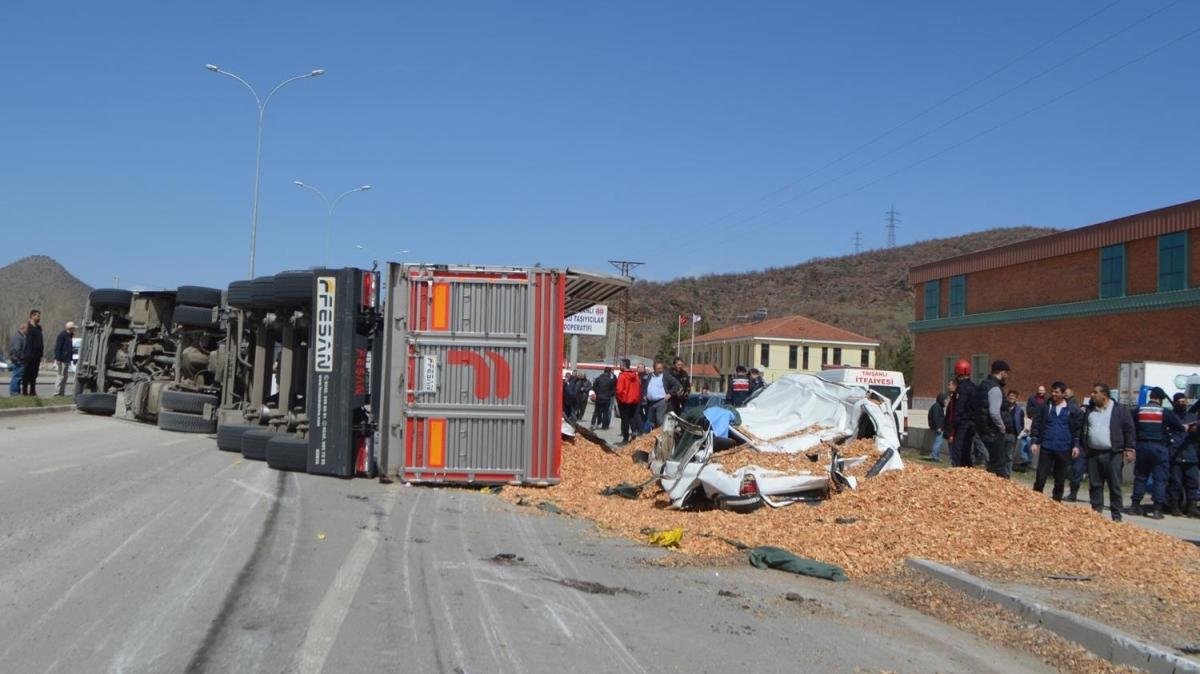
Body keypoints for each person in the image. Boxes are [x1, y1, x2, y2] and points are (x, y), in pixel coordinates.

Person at [1079, 383, 1136, 522]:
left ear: (1104, 395)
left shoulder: (1119, 410)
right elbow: (1084, 429)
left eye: (1095, 392)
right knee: (1095, 485)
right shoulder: (1090, 410)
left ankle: (1116, 516)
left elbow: (1129, 430)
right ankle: (1096, 515)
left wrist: (1129, 448)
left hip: (1113, 454)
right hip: (1093, 453)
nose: (1092, 395)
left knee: (1114, 485)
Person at [1130, 387, 1184, 520]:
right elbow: (1179, 427)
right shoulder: (1164, 412)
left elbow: (1132, 426)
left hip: (1142, 446)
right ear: (1160, 399)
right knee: (1160, 479)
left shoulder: (1139, 410)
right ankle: (1157, 510)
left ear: (1151, 396)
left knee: (1141, 476)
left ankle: (1135, 505)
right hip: (1159, 448)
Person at [1030, 381, 1081, 500]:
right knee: (1041, 476)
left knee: (1060, 478)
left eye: (1056, 392)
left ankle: (1056, 502)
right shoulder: (1045, 407)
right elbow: (1036, 423)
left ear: (1063, 394)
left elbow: (1078, 428)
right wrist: (1034, 441)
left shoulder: (1072, 410)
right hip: (1047, 446)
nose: (1053, 394)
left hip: (1064, 448)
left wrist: (1076, 445)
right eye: (1052, 391)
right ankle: (1036, 499)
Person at [949, 360, 977, 467]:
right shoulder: (974, 387)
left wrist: (954, 423)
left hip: (963, 423)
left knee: (957, 449)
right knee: (966, 450)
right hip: (972, 424)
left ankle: (958, 470)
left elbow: (960, 407)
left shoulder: (962, 388)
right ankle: (969, 469)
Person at [644, 361, 681, 429]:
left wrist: (670, 394)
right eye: (659, 368)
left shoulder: (665, 376)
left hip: (661, 402)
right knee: (651, 421)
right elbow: (646, 386)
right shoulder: (650, 376)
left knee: (660, 420)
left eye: (661, 368)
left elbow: (677, 385)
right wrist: (645, 394)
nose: (661, 370)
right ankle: (653, 436)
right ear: (654, 369)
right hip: (651, 403)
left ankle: (661, 436)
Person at [615, 359, 642, 444]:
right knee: (632, 418)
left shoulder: (622, 376)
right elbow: (638, 387)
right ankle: (634, 431)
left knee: (625, 420)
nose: (619, 366)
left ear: (623, 365)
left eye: (620, 364)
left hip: (624, 401)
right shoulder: (635, 376)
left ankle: (625, 438)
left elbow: (619, 390)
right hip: (634, 400)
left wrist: (619, 399)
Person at [1001, 390, 1025, 477]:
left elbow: (1021, 424)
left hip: (1012, 435)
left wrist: (1018, 432)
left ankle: (1007, 474)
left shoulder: (1020, 411)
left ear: (1016, 398)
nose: (1011, 398)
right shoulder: (1002, 408)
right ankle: (999, 473)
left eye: (1013, 396)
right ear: (1007, 397)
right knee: (1000, 454)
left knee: (1009, 455)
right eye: (1010, 396)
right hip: (1001, 434)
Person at [21, 310, 44, 396]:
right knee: (26, 374)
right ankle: (24, 391)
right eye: (37, 316)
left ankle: (32, 391)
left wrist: (41, 353)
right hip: (29, 355)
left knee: (34, 374)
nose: (39, 317)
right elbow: (28, 342)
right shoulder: (28, 327)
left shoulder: (39, 328)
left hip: (37, 355)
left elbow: (40, 342)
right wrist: (28, 354)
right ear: (32, 316)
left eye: (39, 316)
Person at [53, 321, 76, 397]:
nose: (74, 329)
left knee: (65, 377)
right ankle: (57, 393)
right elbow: (58, 347)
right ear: (69, 328)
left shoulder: (70, 336)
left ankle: (62, 392)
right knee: (60, 376)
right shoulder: (62, 335)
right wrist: (57, 358)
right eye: (73, 328)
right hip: (62, 359)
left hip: (67, 359)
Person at [925, 393, 947, 462]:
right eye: (945, 400)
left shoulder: (938, 406)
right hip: (938, 427)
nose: (946, 401)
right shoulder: (937, 407)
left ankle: (936, 456)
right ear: (941, 399)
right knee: (938, 442)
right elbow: (936, 418)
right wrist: (938, 427)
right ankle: (934, 456)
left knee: (938, 441)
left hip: (939, 427)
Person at [8, 322, 28, 396]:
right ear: (23, 328)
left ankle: (16, 392)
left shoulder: (21, 336)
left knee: (18, 378)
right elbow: (17, 350)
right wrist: (22, 358)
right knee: (16, 377)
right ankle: (14, 393)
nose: (28, 330)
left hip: (19, 360)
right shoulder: (18, 337)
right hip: (18, 361)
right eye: (27, 329)